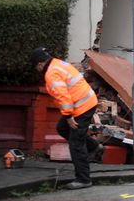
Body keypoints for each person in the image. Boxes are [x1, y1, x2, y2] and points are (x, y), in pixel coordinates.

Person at [30, 47, 101, 190]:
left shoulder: (51, 74)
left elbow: (63, 97)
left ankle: (83, 179)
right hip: (85, 101)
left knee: (76, 143)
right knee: (62, 128)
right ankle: (94, 146)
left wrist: (68, 116)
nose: (37, 70)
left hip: (81, 106)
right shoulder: (57, 63)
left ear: (39, 64)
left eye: (35, 67)